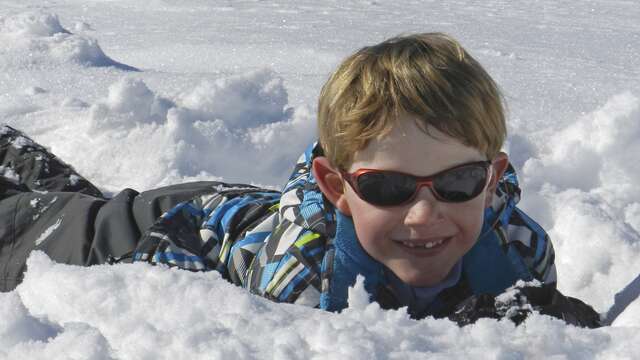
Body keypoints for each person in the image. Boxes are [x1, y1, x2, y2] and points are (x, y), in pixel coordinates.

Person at [0, 33, 601, 327]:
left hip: (248, 211)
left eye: (458, 182)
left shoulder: (522, 253)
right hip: (146, 235)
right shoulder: (303, 285)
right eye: (389, 188)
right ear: (339, 187)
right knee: (25, 225)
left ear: (493, 180)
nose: (425, 214)